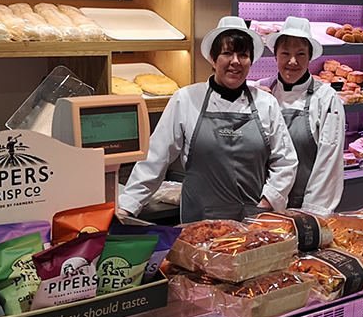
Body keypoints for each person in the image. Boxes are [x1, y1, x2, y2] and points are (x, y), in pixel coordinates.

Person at [118, 16, 298, 222]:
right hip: (199, 221)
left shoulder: (266, 104)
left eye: (243, 55)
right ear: (213, 58)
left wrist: (268, 201)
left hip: (253, 222)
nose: (236, 61)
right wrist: (128, 205)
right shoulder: (186, 99)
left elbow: (286, 161)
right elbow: (156, 157)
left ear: (251, 61)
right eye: (227, 53)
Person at [256, 16, 345, 215]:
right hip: (261, 204)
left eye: (301, 54)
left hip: (304, 206)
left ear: (310, 57)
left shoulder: (326, 99)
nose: (292, 61)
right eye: (285, 53)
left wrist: (312, 214)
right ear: (275, 55)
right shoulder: (261, 90)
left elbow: (328, 163)